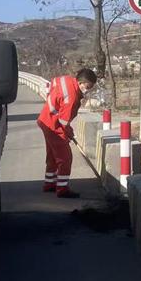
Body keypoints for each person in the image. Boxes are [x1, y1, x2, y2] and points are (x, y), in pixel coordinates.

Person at [37, 68, 97, 198]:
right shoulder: (72, 97)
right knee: (65, 158)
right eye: (87, 87)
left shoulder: (67, 80)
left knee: (52, 155)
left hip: (45, 119)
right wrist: (69, 133)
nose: (88, 90)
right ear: (80, 83)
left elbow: (53, 83)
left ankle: (49, 183)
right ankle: (62, 188)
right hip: (53, 125)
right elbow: (64, 122)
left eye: (91, 88)